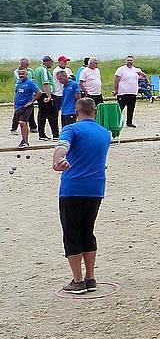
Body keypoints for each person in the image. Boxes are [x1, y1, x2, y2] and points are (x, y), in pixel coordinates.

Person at [51, 98, 112, 295]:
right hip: (95, 189)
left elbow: (62, 146)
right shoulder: (104, 133)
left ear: (77, 112)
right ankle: (90, 277)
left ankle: (77, 281)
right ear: (95, 111)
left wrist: (58, 160)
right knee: (88, 231)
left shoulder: (72, 129)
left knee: (71, 233)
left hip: (73, 188)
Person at [113, 56, 145, 128]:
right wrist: (116, 90)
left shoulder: (136, 70)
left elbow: (144, 77)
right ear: (125, 61)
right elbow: (116, 80)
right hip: (122, 92)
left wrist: (140, 73)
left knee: (131, 108)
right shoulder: (121, 69)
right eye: (128, 60)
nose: (129, 61)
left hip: (133, 92)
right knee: (120, 108)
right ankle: (116, 122)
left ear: (133, 61)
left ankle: (129, 122)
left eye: (131, 60)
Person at [13, 68, 41, 149]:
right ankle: (23, 140)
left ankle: (26, 141)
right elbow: (16, 93)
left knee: (22, 122)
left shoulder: (30, 83)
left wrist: (32, 101)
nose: (21, 75)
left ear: (26, 74)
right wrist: (14, 104)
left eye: (23, 74)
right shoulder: (18, 82)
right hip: (18, 106)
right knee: (20, 124)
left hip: (27, 106)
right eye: (20, 74)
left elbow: (39, 92)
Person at [33, 56, 57, 140]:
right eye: (51, 62)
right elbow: (45, 83)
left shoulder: (37, 69)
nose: (52, 63)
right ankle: (55, 134)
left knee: (42, 114)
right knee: (52, 114)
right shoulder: (43, 70)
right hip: (45, 94)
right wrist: (49, 95)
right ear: (48, 62)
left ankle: (41, 134)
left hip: (41, 94)